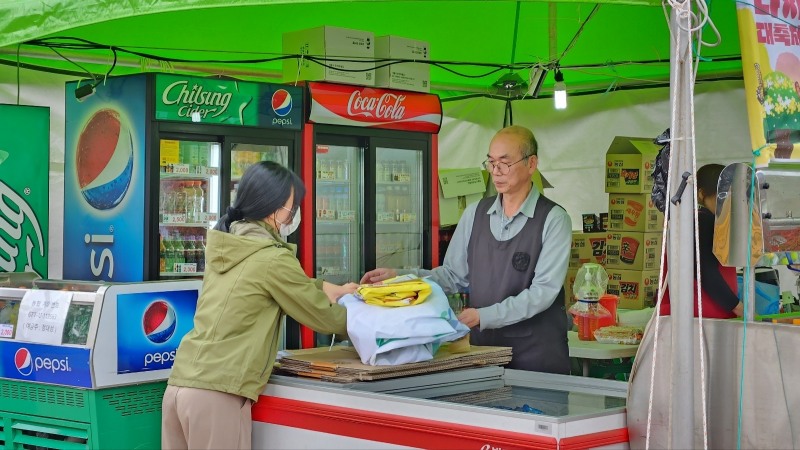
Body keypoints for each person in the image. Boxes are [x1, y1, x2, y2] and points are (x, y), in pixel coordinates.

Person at [162, 161, 358, 450]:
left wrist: (328, 288)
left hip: (181, 385)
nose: (294, 214)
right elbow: (325, 318)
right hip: (219, 393)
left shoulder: (231, 243)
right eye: (292, 207)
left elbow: (283, 284)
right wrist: (379, 317)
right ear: (273, 208)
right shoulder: (272, 258)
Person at [362, 125, 572, 374]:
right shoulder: (475, 214)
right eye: (491, 163)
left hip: (537, 357)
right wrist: (401, 278)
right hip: (484, 353)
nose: (496, 172)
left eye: (505, 163)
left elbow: (543, 293)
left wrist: (484, 316)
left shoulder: (554, 219)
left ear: (531, 163)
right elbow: (452, 276)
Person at [659, 163, 744, 319]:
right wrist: (738, 307)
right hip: (704, 316)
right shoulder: (703, 221)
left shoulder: (688, 219)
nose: (726, 203)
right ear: (701, 193)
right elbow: (706, 272)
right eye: (721, 196)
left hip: (701, 314)